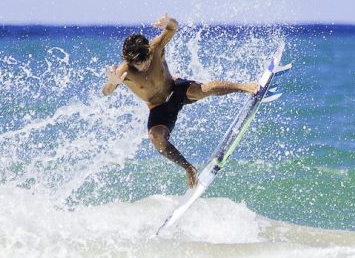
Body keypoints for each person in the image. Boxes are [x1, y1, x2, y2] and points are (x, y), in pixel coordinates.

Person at [102, 13, 258, 188]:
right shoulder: (124, 71)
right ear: (128, 61)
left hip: (176, 90)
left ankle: (246, 87)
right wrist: (112, 83)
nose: (143, 67)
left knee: (203, 90)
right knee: (156, 139)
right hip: (159, 108)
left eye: (145, 61)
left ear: (148, 50)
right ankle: (189, 168)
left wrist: (170, 22)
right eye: (137, 65)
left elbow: (172, 28)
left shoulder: (156, 47)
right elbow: (106, 92)